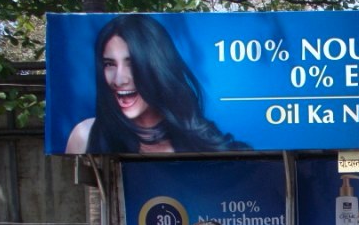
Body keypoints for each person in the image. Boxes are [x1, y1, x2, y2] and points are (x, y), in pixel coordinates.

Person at [65, 14, 246, 154]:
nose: (119, 80)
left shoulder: (201, 143)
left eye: (132, 63)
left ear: (158, 67)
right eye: (109, 64)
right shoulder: (85, 135)